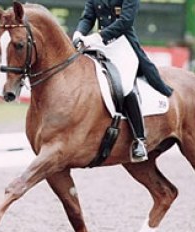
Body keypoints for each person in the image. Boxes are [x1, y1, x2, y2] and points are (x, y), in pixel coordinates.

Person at [73, 0, 173, 162]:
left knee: (125, 86)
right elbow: (87, 17)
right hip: (99, 45)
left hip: (122, 45)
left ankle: (139, 139)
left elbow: (126, 21)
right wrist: (79, 34)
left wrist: (97, 37)